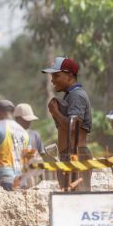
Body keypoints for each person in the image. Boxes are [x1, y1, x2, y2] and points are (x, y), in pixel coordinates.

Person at [43, 57, 92, 192]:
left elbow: (74, 129)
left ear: (70, 75)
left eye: (57, 75)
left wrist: (55, 112)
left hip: (76, 155)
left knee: (77, 201)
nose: (52, 80)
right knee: (70, 200)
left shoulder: (76, 96)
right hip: (69, 155)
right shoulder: (70, 96)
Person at [13, 103, 46, 188]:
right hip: (14, 181)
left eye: (30, 120)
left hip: (31, 182)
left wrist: (44, 182)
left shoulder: (35, 136)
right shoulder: (10, 136)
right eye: (26, 120)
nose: (29, 122)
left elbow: (41, 161)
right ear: (17, 119)